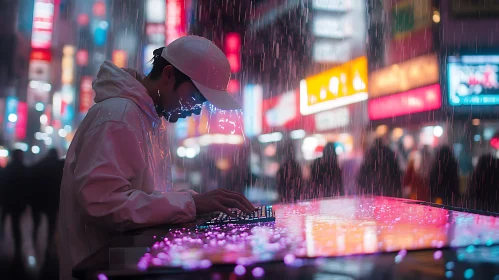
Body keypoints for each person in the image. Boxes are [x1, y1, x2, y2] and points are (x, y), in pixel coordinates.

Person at [58, 36, 255, 280]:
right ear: (169, 74)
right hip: (102, 268)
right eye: (195, 97)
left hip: (123, 266)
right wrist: (191, 205)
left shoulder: (147, 117)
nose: (195, 110)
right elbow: (102, 204)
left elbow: (144, 195)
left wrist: (193, 201)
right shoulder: (119, 116)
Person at [0, 149, 27, 263]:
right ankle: (17, 250)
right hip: (17, 203)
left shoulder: (7, 169)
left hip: (7, 200)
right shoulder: (24, 170)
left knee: (3, 220)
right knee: (16, 225)